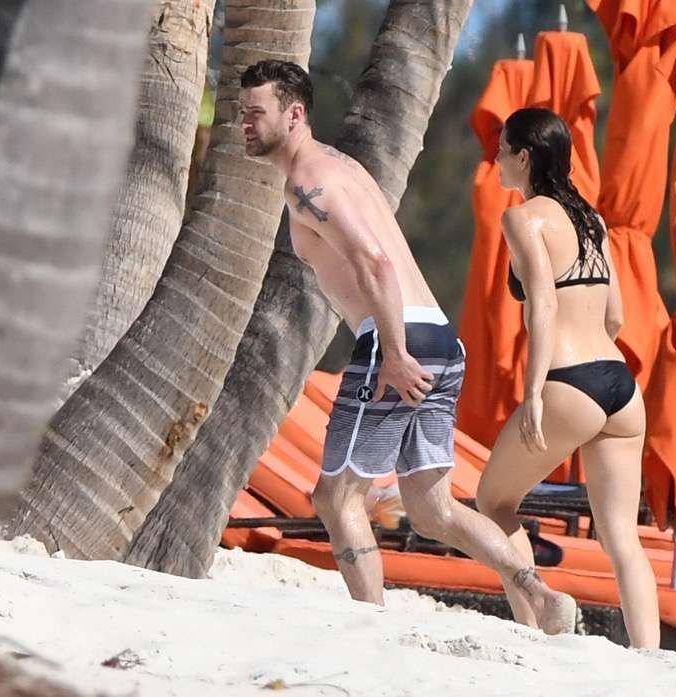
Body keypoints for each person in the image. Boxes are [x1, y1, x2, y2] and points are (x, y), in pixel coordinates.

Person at [237, 59, 576, 635]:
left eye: (255, 113)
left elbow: (375, 262)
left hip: (398, 340)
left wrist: (393, 353)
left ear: (293, 114)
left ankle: (370, 631)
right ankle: (540, 595)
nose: (243, 124)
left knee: (337, 498)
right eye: (241, 113)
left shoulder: (307, 182)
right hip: (439, 337)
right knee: (433, 508)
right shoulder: (343, 166)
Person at [474, 107, 660, 649]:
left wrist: (534, 391)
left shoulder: (523, 219)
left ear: (523, 157)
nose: (495, 160)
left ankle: (532, 627)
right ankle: (650, 655)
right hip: (619, 384)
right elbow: (616, 316)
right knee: (621, 537)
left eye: (501, 151)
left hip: (568, 379)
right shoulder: (591, 220)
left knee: (493, 503)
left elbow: (543, 307)